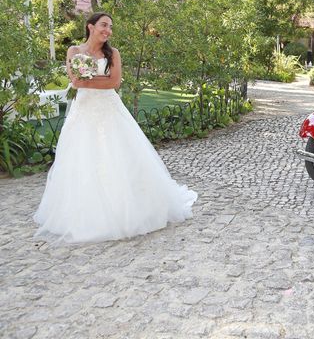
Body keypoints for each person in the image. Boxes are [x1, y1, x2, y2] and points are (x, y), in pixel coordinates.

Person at [34, 12, 197, 243]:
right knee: (82, 158)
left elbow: (115, 82)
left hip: (110, 110)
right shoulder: (74, 51)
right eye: (103, 25)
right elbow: (75, 81)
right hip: (84, 112)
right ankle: (88, 214)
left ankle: (127, 209)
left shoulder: (113, 53)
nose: (108, 30)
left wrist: (89, 80)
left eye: (110, 27)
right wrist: (93, 80)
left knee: (119, 155)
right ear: (90, 27)